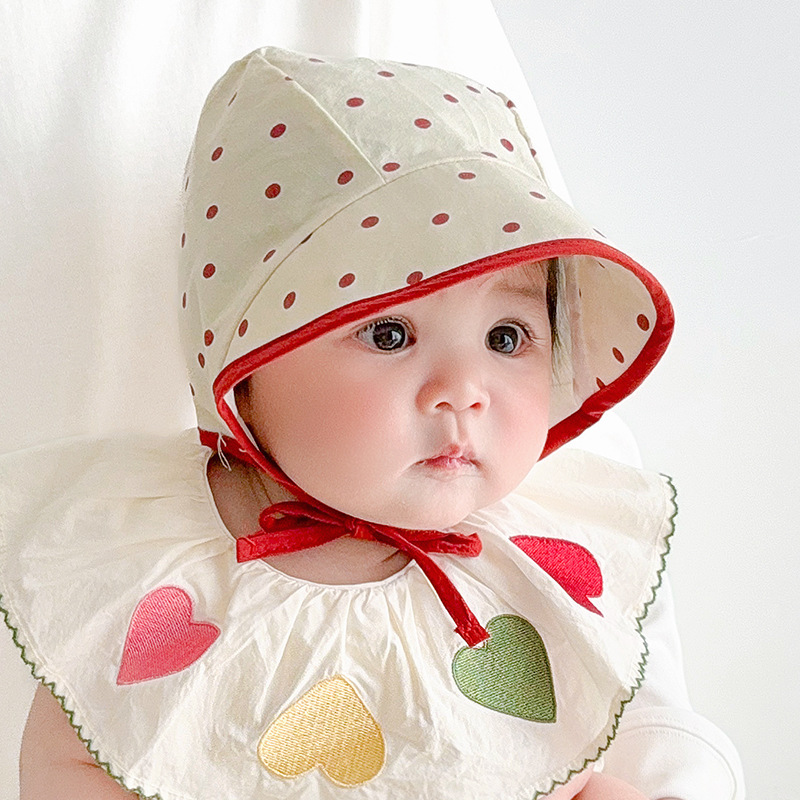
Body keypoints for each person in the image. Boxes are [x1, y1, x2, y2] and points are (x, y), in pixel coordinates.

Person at [1, 46, 743, 799]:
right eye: (389, 334)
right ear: (246, 367)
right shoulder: (150, 560)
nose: (464, 391)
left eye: (506, 338)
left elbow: (615, 746)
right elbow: (76, 760)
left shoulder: (547, 561)